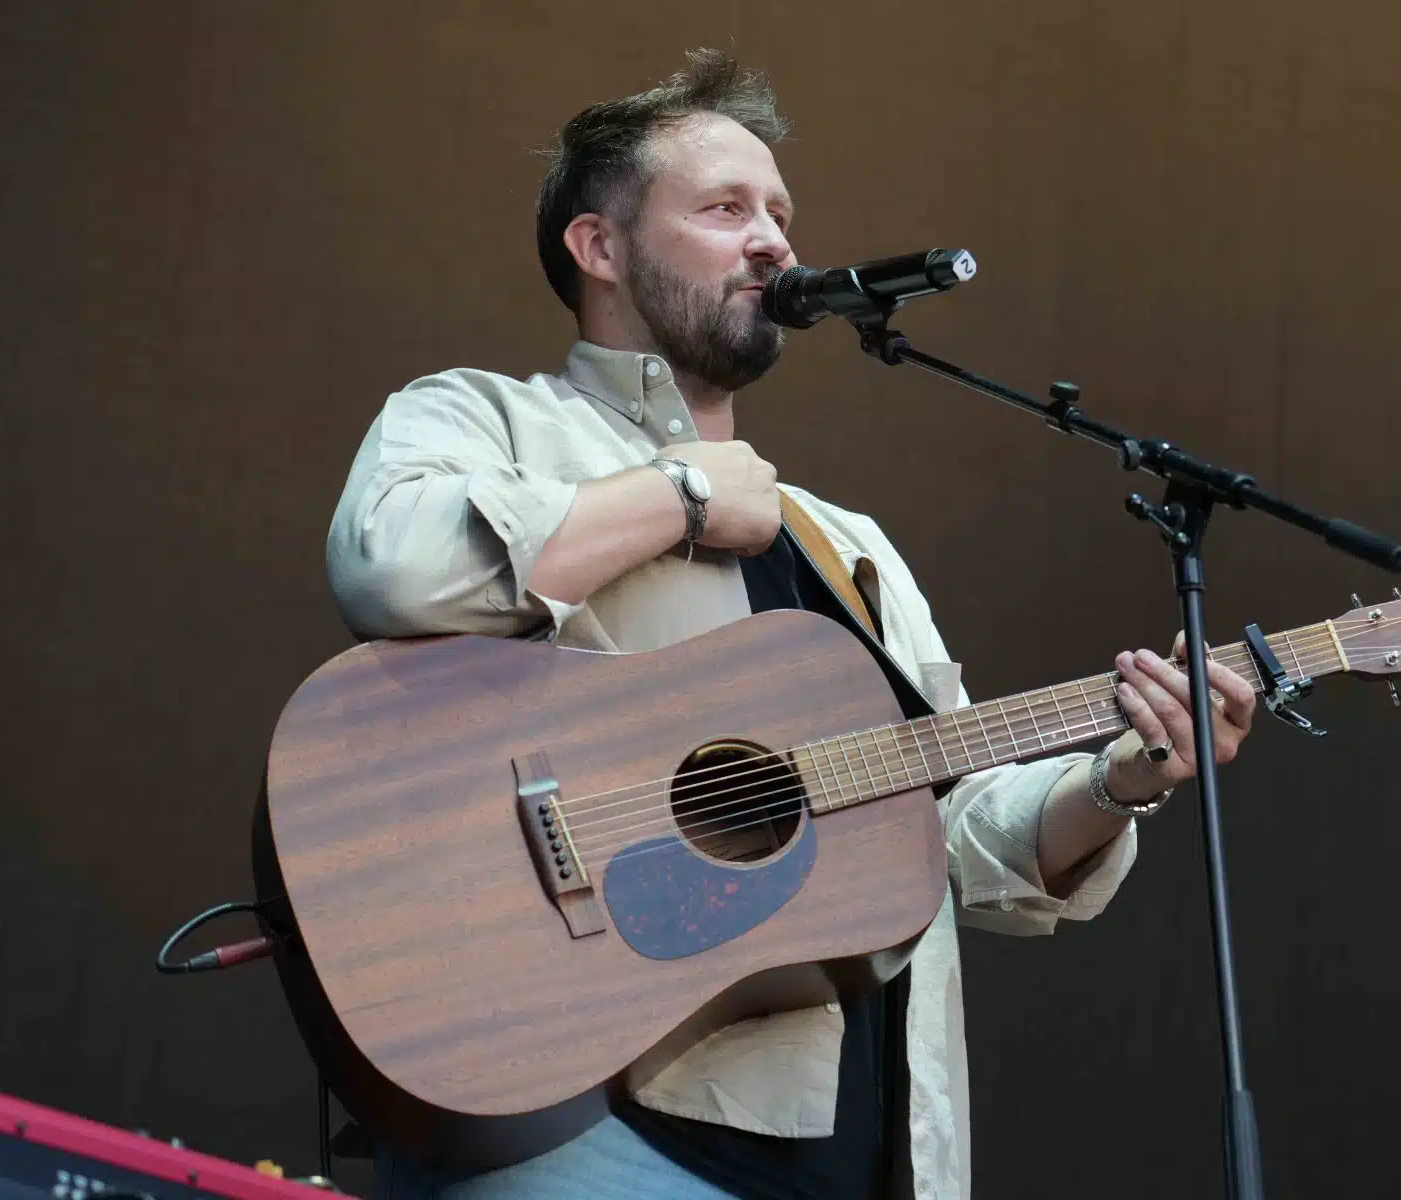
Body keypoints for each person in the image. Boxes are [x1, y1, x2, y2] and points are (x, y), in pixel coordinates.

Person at [326, 49, 1256, 1200]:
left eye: (781, 212)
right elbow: (393, 564)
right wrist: (685, 495)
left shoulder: (845, 543)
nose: (774, 240)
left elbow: (948, 835)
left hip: (871, 1161)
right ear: (598, 246)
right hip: (587, 1120)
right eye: (724, 208)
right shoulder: (487, 420)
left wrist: (1122, 778)